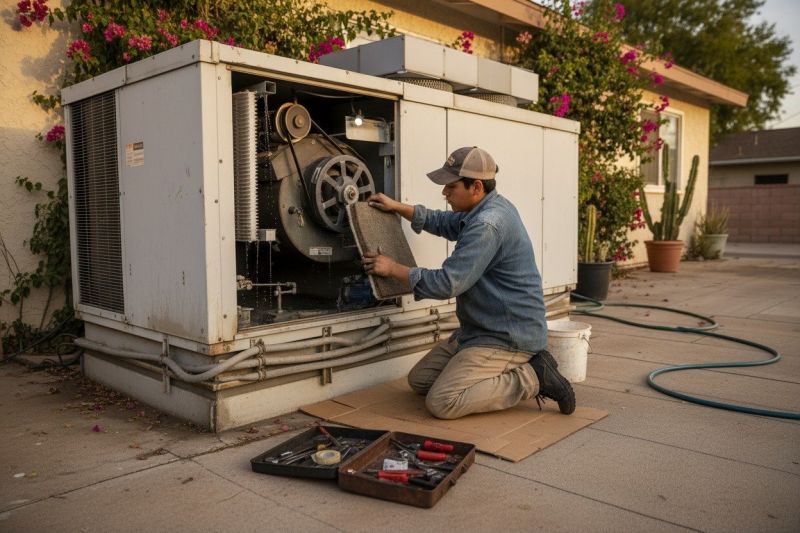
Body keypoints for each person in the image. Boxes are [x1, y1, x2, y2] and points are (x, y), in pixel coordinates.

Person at [362, 146, 576, 420]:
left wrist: (393, 269)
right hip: (477, 331)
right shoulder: (483, 207)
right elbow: (444, 221)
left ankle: (534, 376)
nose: (444, 193)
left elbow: (447, 283)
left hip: (506, 336)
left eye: (450, 187)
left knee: (442, 401)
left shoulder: (488, 224)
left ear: (475, 186)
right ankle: (496, 368)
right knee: (420, 381)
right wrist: (398, 207)